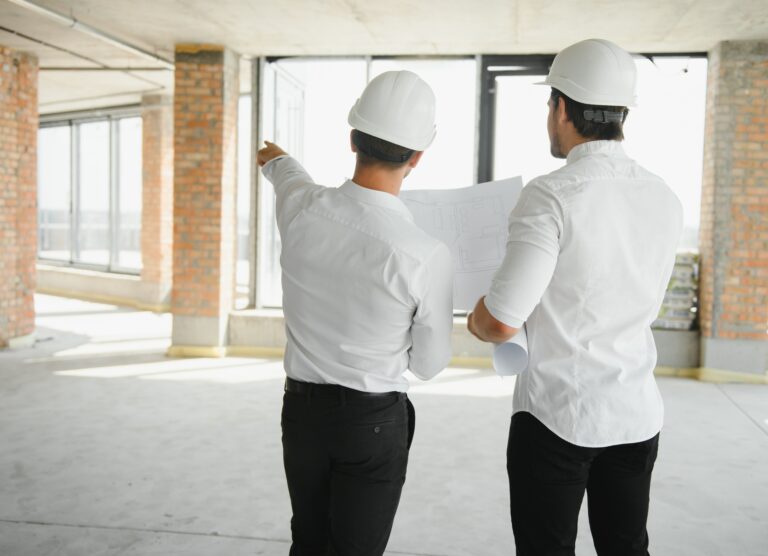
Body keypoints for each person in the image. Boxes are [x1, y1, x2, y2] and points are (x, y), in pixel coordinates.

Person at [467, 39, 683, 555]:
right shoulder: (663, 196)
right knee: (626, 546)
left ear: (562, 107)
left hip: (556, 416)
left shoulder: (551, 195)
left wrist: (477, 316)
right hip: (635, 413)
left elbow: (499, 322)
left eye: (549, 104)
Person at [256, 70, 453, 556]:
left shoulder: (301, 207)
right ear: (417, 158)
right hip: (372, 423)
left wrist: (275, 156)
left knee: (308, 540)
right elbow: (428, 365)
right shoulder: (424, 254)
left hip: (300, 415)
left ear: (352, 139)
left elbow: (283, 169)